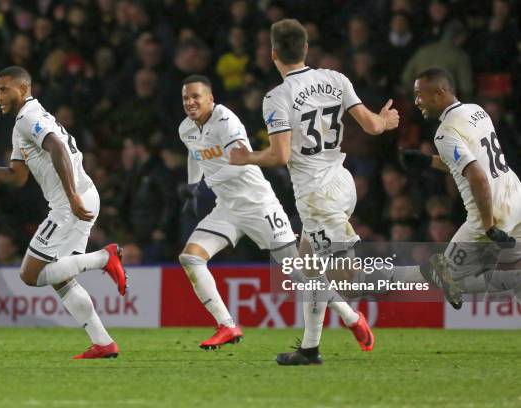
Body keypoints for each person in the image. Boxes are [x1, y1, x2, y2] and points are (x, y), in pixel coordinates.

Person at [230, 19, 398, 365]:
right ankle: (310, 348)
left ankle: (421, 278)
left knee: (347, 278)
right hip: (342, 180)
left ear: (273, 53)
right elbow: (371, 126)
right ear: (306, 49)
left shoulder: (277, 97)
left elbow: (279, 154)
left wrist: (246, 156)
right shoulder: (337, 79)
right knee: (306, 266)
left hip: (316, 196)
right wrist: (384, 120)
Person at [178, 74, 370, 352]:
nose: (190, 102)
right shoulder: (186, 128)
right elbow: (193, 153)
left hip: (258, 205)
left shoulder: (225, 121)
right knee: (190, 258)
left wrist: (211, 180)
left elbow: (240, 160)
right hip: (227, 208)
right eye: (186, 97)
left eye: (196, 96)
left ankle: (351, 317)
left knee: (300, 275)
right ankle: (227, 324)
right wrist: (193, 186)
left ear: (210, 98)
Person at [0, 66, 127, 359]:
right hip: (81, 197)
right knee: (61, 278)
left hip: (70, 204)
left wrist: (71, 196)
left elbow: (58, 147)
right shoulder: (23, 123)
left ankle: (104, 257)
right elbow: (17, 177)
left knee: (30, 274)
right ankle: (103, 342)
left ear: (22, 89)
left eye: (4, 89)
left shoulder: (30, 119)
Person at [400, 67, 521, 307]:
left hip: (489, 217)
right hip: (516, 199)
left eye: (420, 94)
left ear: (440, 92)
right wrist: (428, 161)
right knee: (515, 275)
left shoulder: (445, 133)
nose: (416, 101)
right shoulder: (477, 111)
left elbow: (477, 177)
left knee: (445, 276)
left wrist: (489, 227)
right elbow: (476, 164)